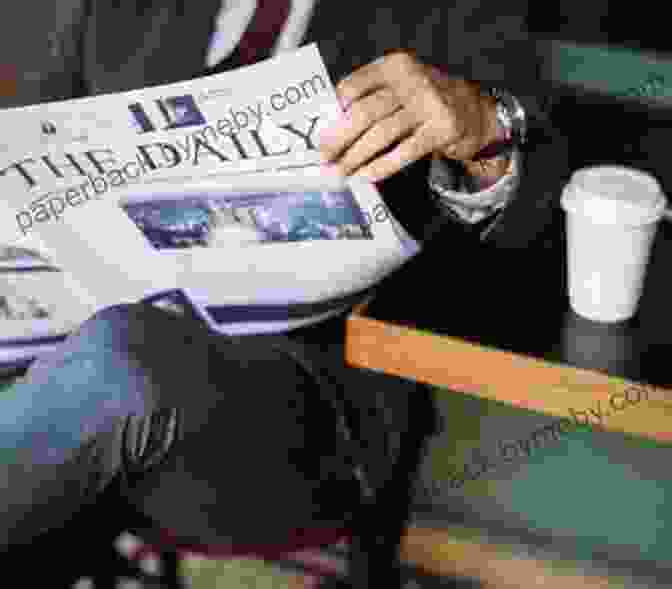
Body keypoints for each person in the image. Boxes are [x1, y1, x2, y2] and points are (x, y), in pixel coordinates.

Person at [0, 1, 570, 587]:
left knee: (115, 357)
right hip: (63, 381)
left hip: (311, 406)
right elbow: (27, 159)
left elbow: (541, 216)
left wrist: (483, 131)